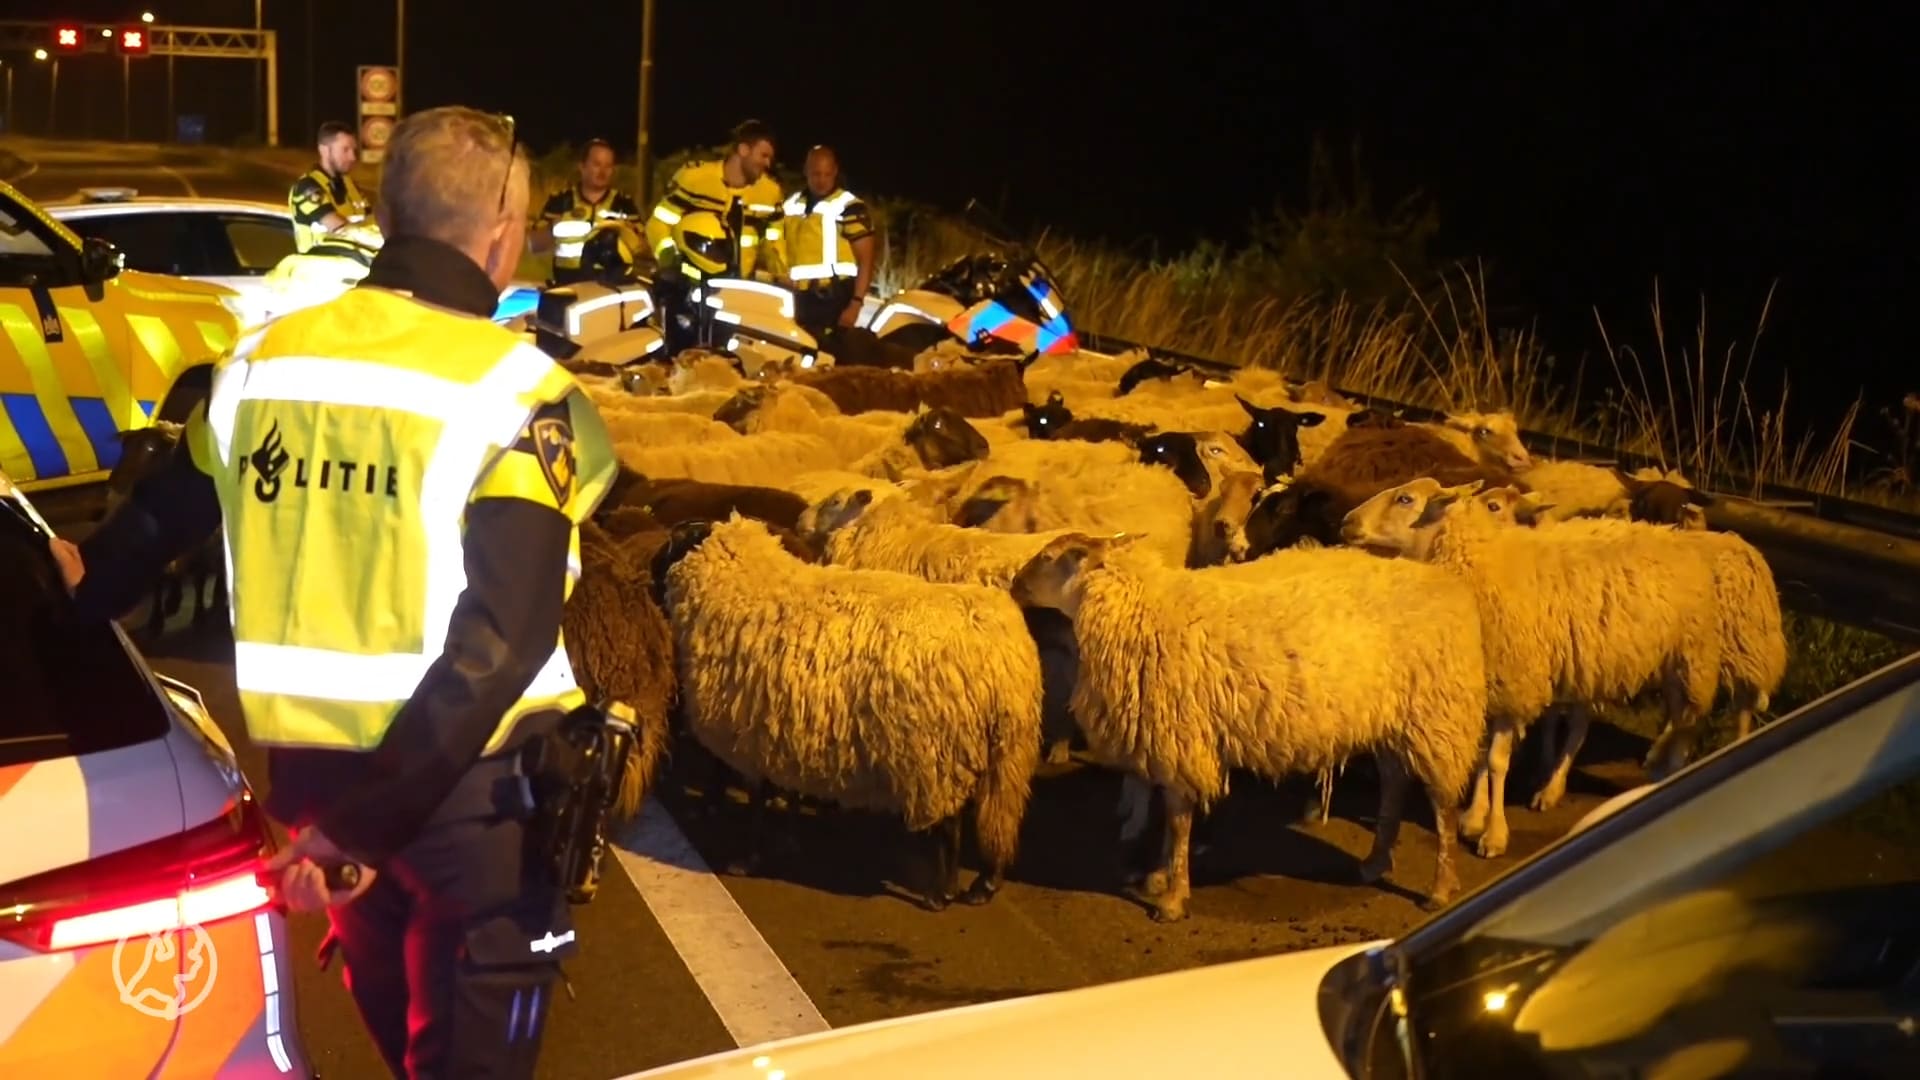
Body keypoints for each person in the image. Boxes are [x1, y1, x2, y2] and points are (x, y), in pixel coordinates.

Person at [54, 105, 616, 1079]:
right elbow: (503, 642)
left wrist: (57, 598)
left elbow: (143, 539)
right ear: (503, 235)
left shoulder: (261, 366)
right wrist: (362, 830)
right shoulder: (520, 391)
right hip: (459, 814)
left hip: (312, 794)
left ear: (389, 213)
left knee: (398, 1048)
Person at [643, 119, 786, 353]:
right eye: (763, 155)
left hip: (738, 291)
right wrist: (670, 260)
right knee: (680, 353)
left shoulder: (770, 192)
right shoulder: (696, 178)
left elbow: (774, 237)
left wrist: (781, 273)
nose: (767, 163)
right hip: (688, 287)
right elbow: (658, 223)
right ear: (743, 150)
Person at [776, 144, 877, 336]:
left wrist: (856, 304)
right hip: (799, 299)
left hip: (834, 300)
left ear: (835, 172)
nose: (821, 180)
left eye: (827, 174)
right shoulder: (791, 205)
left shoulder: (849, 206)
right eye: (816, 174)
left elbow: (867, 260)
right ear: (806, 171)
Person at [534, 138, 641, 285]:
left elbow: (643, 248)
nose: (602, 172)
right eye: (596, 164)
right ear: (582, 166)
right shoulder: (560, 202)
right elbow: (534, 245)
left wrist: (627, 233)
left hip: (611, 290)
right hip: (567, 286)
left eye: (608, 166)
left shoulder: (624, 205)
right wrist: (555, 227)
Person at [289, 120, 372, 252]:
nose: (352, 157)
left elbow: (372, 223)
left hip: (353, 266)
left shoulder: (351, 186)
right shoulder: (307, 188)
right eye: (345, 150)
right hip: (319, 268)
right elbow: (339, 228)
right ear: (325, 151)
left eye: (353, 150)